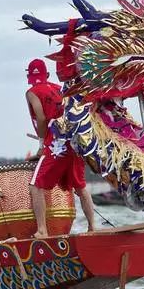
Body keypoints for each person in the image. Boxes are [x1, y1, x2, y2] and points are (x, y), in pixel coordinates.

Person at [25, 58, 96, 236]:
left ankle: (42, 230)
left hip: (56, 144)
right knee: (80, 186)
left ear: (28, 76)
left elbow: (41, 117)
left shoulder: (31, 92)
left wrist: (42, 144)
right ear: (47, 75)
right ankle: (92, 227)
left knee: (36, 185)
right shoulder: (58, 88)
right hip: (74, 141)